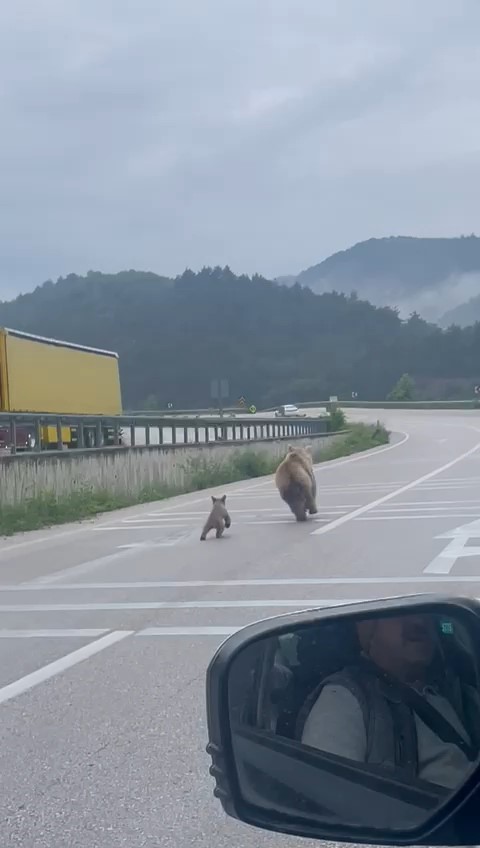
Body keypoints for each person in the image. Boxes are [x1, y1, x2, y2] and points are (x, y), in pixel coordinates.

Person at [299, 614, 480, 790]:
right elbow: (328, 797)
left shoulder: (457, 689)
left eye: (426, 614)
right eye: (401, 613)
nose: (419, 621)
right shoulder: (342, 698)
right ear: (367, 628)